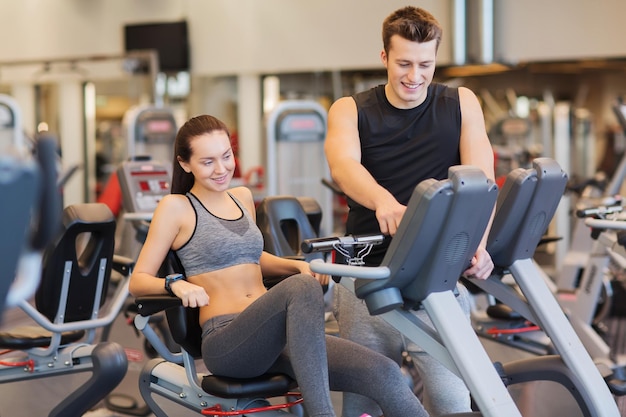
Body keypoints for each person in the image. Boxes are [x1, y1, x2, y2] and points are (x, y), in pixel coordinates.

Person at [129, 114, 429, 417]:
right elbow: (138, 280)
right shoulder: (177, 208)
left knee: (384, 373)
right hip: (229, 342)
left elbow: (252, 257)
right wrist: (175, 283)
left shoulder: (242, 197)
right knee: (302, 287)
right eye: (208, 162)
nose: (221, 169)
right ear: (185, 164)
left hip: (279, 336)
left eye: (226, 156)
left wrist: (295, 267)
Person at [324, 6, 496, 417]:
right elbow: (344, 166)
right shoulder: (350, 109)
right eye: (403, 63)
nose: (414, 76)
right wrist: (383, 200)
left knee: (453, 398)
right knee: (365, 403)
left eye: (425, 64)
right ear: (384, 57)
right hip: (366, 276)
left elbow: (482, 179)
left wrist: (479, 245)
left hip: (435, 276)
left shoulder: (461, 102)